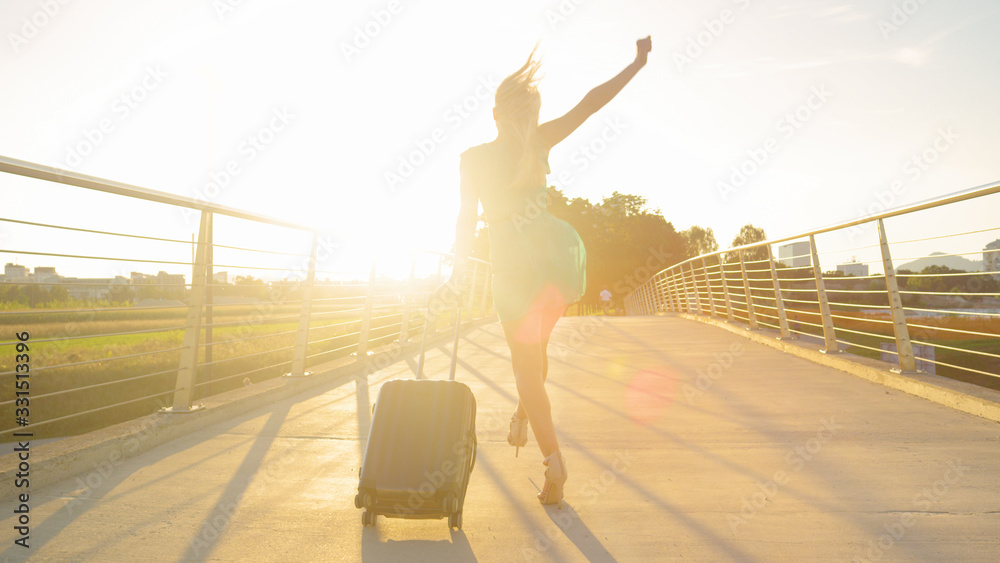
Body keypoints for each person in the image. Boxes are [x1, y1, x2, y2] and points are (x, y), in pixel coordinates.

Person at [448, 36, 652, 507]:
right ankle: (525, 414)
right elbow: (591, 104)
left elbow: (463, 219)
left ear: (494, 113)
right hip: (557, 257)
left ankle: (553, 461)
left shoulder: (472, 159)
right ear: (530, 115)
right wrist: (636, 64)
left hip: (513, 268)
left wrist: (458, 272)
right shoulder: (540, 141)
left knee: (526, 367)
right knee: (536, 356)